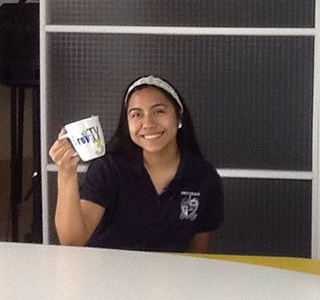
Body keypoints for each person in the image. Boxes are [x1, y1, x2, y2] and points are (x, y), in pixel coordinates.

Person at [49, 75, 224, 252]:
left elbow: (198, 253)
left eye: (159, 111)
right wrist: (66, 173)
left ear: (178, 117)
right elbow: (72, 241)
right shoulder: (108, 169)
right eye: (136, 114)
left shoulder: (203, 176)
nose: (147, 123)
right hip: (105, 275)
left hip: (170, 278)